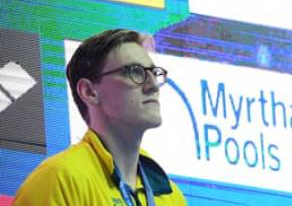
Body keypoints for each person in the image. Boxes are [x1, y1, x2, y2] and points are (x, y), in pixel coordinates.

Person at [13, 29, 187, 205]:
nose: (153, 86)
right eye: (135, 72)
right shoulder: (60, 179)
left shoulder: (171, 198)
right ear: (89, 92)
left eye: (154, 73)